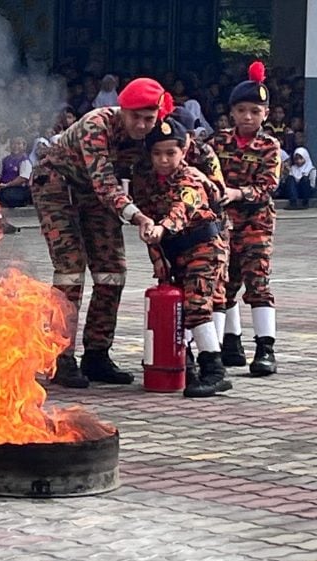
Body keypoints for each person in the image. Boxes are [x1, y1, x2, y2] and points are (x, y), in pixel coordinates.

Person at [31, 77, 164, 388]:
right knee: (71, 269)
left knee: (112, 270)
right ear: (123, 111)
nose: (142, 125)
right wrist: (136, 216)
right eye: (136, 117)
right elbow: (105, 182)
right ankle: (59, 358)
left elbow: (148, 191)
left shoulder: (150, 139)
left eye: (149, 118)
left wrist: (156, 236)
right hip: (56, 183)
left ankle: (97, 353)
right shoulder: (97, 125)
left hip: (96, 195)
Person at [131, 113, 231, 398]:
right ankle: (184, 362)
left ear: (183, 151)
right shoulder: (146, 182)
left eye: (171, 153)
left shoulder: (191, 178)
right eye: (158, 153)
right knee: (177, 304)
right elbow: (147, 219)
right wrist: (159, 259)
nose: (164, 160)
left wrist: (161, 228)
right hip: (172, 251)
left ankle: (214, 369)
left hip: (203, 247)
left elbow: (181, 210)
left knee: (197, 305)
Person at [210, 61, 282, 376]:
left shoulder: (269, 146)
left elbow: (268, 185)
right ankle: (230, 343)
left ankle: (265, 348)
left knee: (258, 283)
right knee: (224, 283)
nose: (248, 117)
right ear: (232, 113)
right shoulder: (218, 142)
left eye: (255, 111)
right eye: (242, 110)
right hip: (223, 222)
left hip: (256, 223)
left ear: (265, 113)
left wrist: (238, 194)